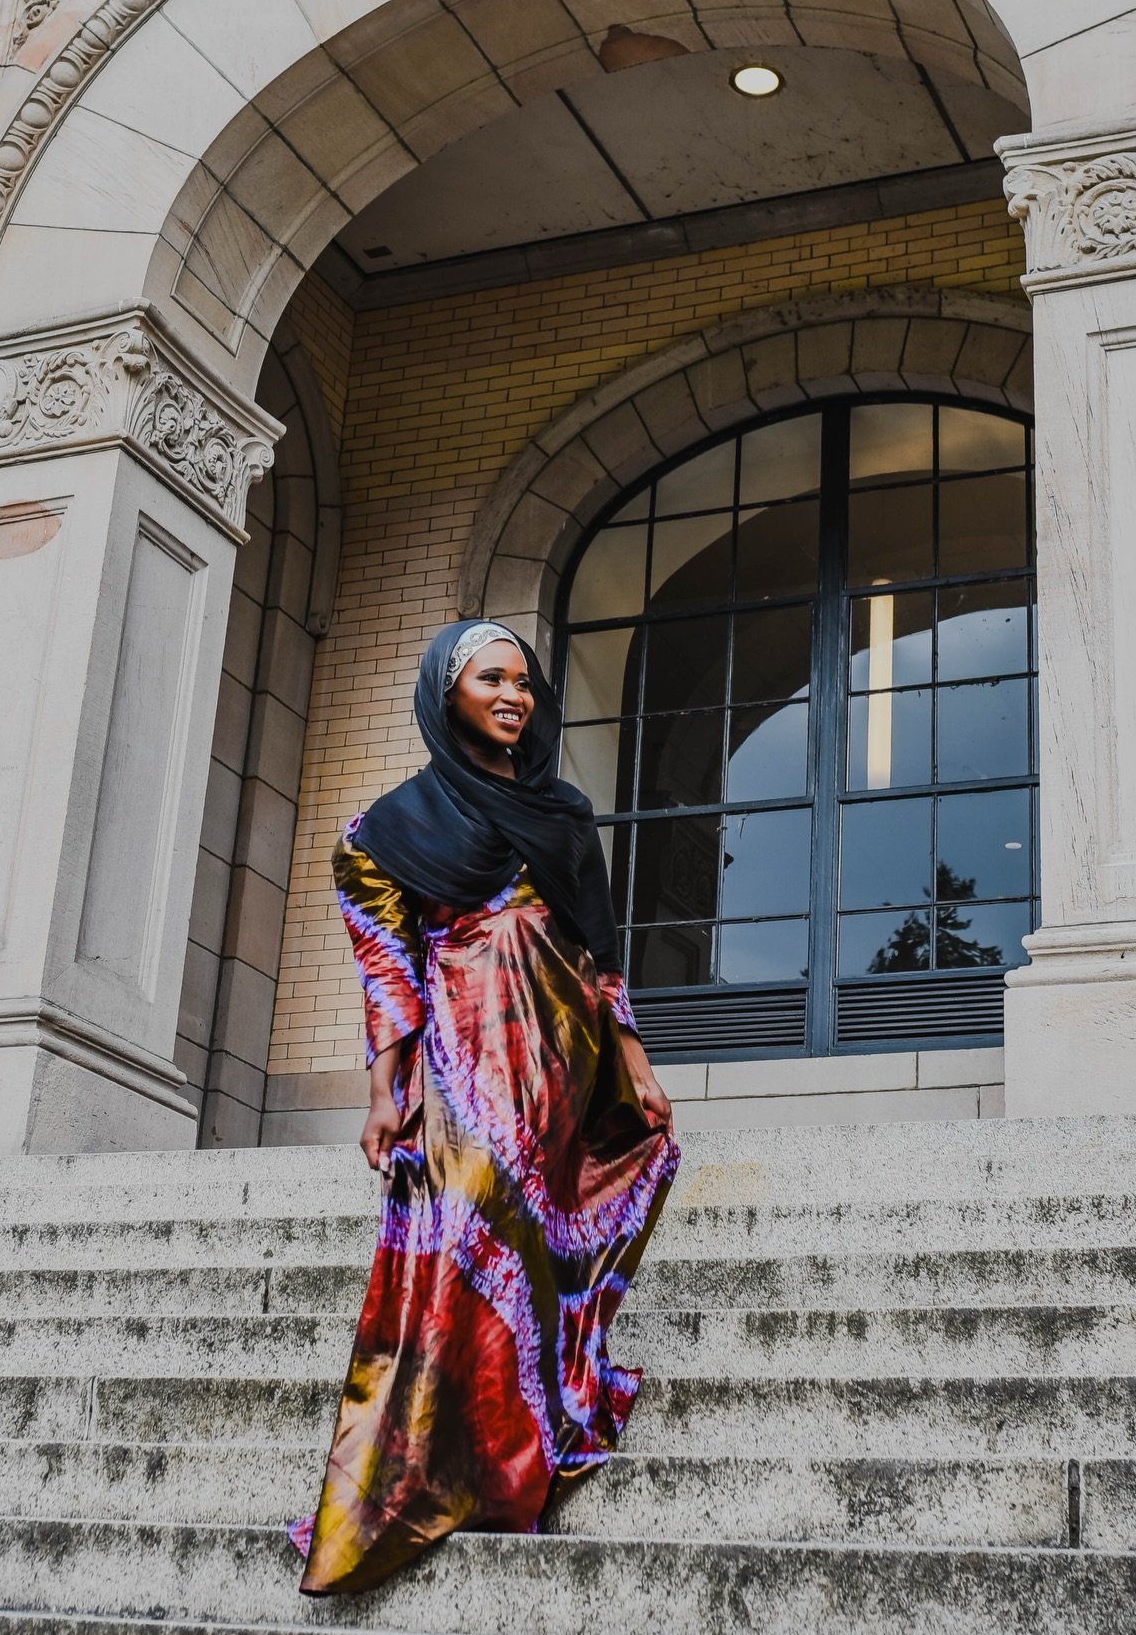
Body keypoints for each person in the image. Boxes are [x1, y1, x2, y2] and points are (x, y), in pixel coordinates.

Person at [291, 619, 678, 1595]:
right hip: (464, 1048)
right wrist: (385, 1094)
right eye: (490, 678)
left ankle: (525, 1439)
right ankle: (444, 1467)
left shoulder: (564, 812)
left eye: (525, 680)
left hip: (561, 1054)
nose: (515, 694)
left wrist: (632, 1058)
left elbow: (599, 955)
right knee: (465, 1223)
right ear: (444, 694)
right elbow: (386, 971)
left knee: (537, 1238)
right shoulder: (386, 828)